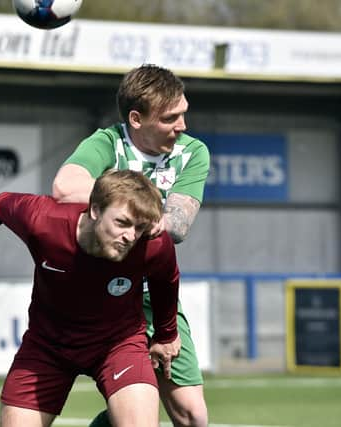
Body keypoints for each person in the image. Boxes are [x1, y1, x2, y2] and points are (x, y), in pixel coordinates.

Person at [0, 170, 182, 427]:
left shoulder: (152, 243)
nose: (130, 236)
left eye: (139, 227)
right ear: (95, 210)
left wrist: (166, 334)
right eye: (122, 222)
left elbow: (166, 278)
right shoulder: (43, 221)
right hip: (47, 348)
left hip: (118, 344)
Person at [52, 64, 210, 427]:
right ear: (136, 119)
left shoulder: (193, 153)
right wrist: (136, 207)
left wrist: (128, 212)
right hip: (95, 292)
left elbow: (176, 226)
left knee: (193, 415)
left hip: (152, 292)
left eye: (183, 113)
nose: (182, 125)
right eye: (171, 118)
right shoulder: (107, 143)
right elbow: (63, 188)